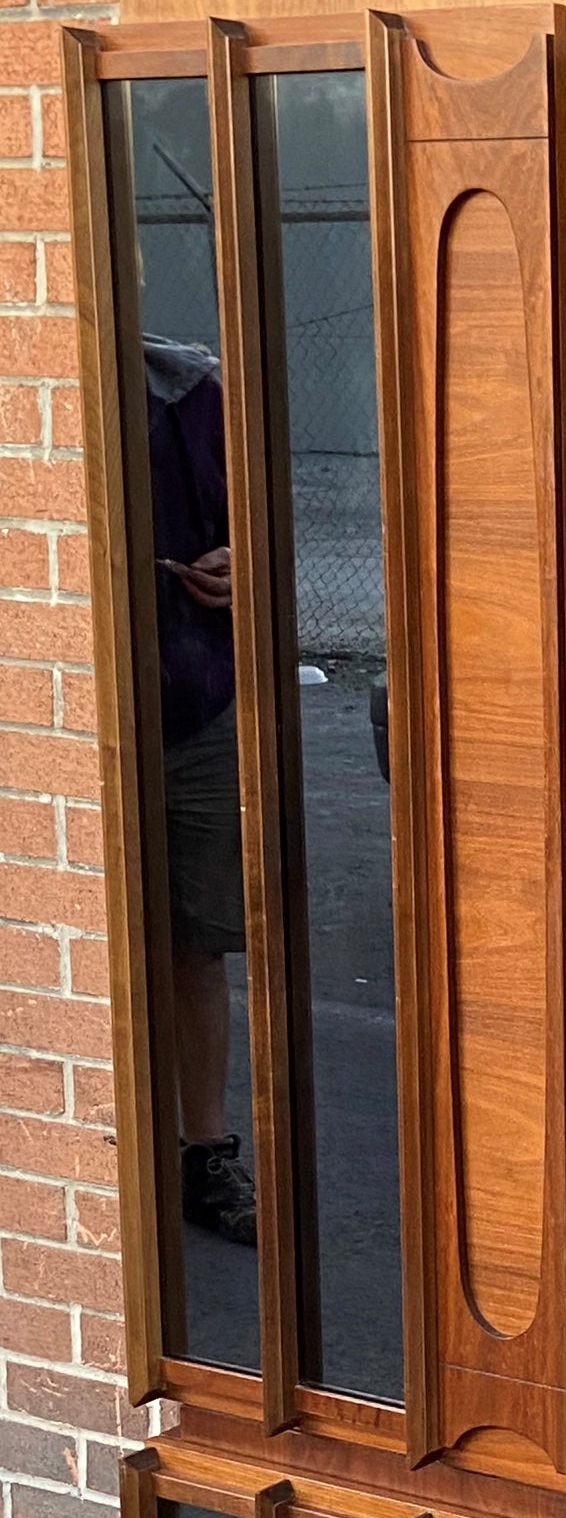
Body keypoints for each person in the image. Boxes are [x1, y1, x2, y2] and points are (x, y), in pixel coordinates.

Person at [144, 336, 257, 1245]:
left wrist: (232, 563)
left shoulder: (188, 392)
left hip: (191, 704)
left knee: (197, 938)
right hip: (63, 715)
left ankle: (204, 1152)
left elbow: (251, 529)